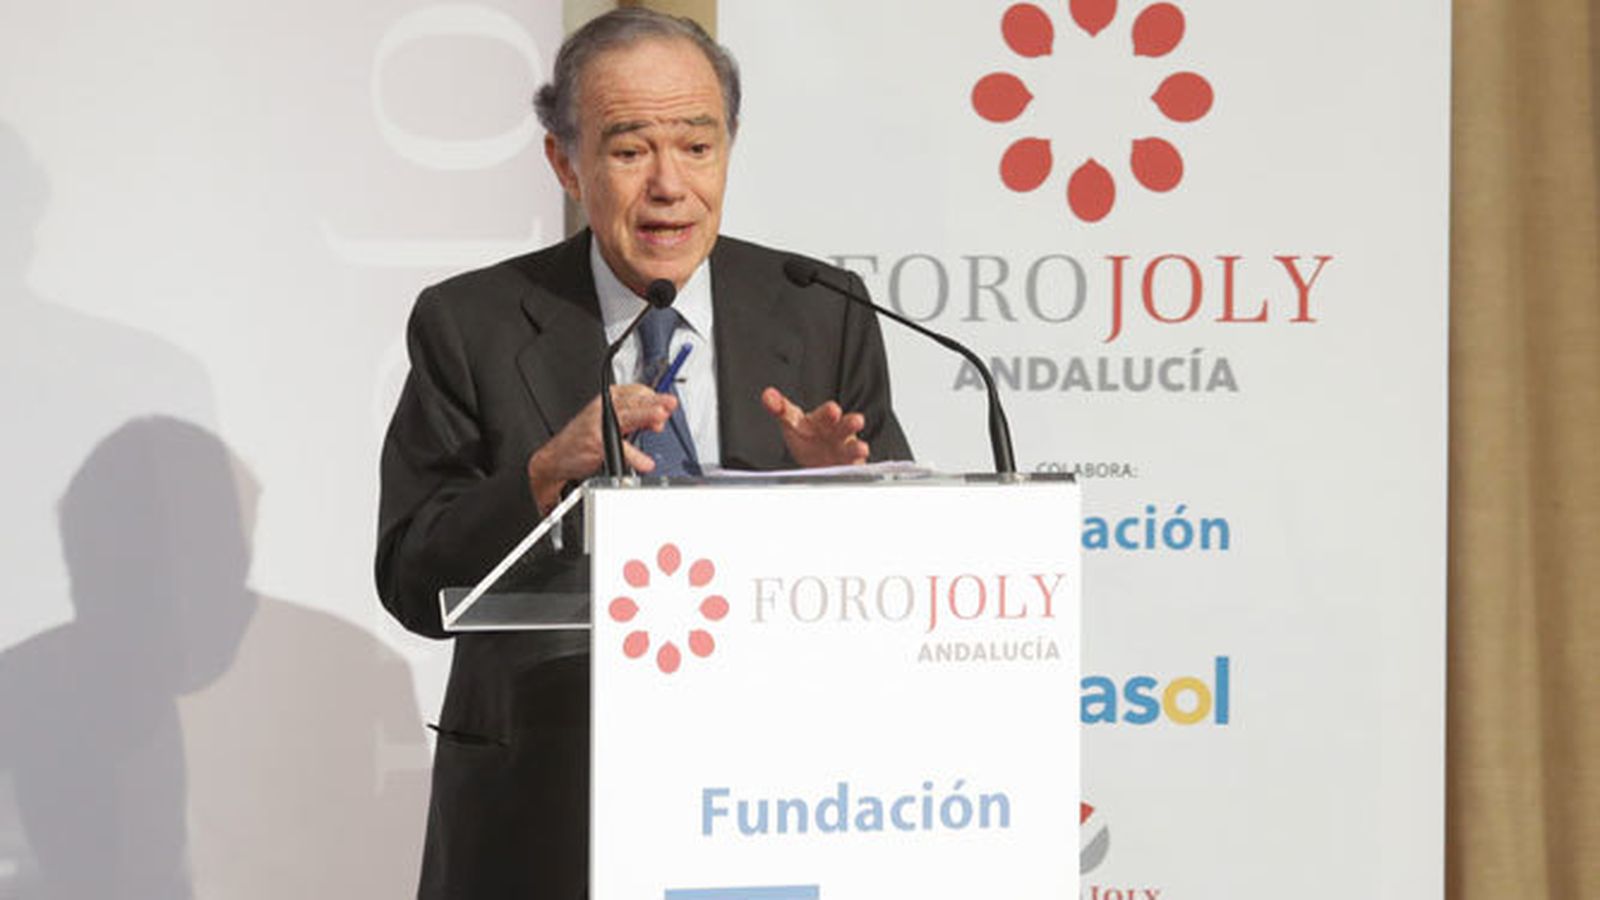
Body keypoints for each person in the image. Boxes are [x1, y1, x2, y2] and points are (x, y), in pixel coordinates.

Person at [375, 9, 910, 898]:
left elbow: (903, 575)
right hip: (546, 805)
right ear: (565, 162)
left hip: (776, 796)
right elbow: (411, 578)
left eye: (697, 147)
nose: (670, 185)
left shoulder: (820, 308)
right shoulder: (470, 324)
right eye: (630, 151)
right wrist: (544, 475)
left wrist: (841, 486)